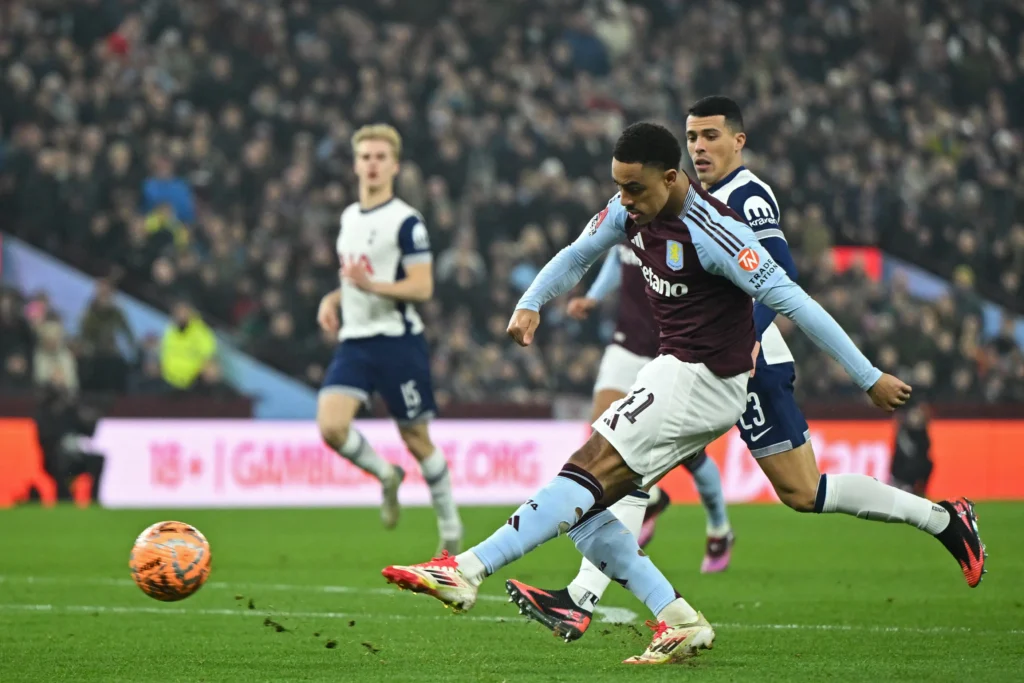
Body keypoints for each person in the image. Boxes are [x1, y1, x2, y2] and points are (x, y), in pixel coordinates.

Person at [382, 122, 939, 665]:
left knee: (585, 472)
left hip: (705, 380)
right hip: (672, 371)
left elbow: (795, 300)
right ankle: (678, 618)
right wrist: (530, 302)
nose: (624, 199)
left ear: (671, 178)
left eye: (634, 187)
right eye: (618, 185)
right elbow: (577, 254)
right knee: (587, 509)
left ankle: (467, 570)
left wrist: (867, 376)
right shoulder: (629, 211)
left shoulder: (716, 233)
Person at [505, 97, 988, 644]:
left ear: (739, 141)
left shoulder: (745, 197)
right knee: (629, 466)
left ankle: (943, 520)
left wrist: (840, 366)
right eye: (692, 137)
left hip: (745, 365)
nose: (699, 147)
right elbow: (596, 251)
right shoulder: (670, 199)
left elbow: (781, 279)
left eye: (711, 136)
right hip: (698, 364)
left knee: (801, 491)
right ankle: (584, 598)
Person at [316, 124, 462, 554]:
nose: (372, 165)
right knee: (331, 426)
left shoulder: (406, 222)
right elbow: (353, 279)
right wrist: (333, 298)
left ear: (395, 166)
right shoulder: (348, 218)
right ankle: (385, 474)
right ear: (355, 164)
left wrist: (370, 286)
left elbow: (422, 287)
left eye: (381, 157)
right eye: (365, 157)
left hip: (398, 343)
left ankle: (450, 529)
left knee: (416, 439)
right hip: (356, 342)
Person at [565, 228, 734, 572]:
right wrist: (594, 297)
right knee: (602, 432)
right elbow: (619, 258)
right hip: (627, 344)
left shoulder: (686, 226)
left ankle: (719, 528)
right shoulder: (626, 217)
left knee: (690, 454)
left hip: (671, 349)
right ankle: (651, 498)